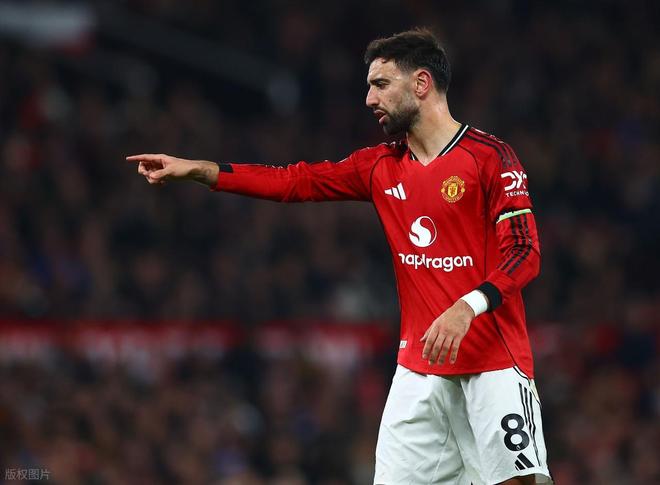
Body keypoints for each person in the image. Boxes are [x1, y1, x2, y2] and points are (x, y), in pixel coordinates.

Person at [128, 28, 552, 485]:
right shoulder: (379, 165)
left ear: (421, 84)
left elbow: (525, 251)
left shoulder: (490, 158)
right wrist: (202, 170)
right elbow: (294, 181)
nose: (369, 99)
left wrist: (467, 307)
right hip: (418, 373)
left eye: (381, 84)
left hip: (493, 364)